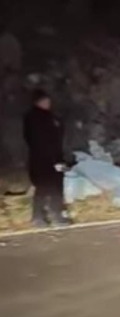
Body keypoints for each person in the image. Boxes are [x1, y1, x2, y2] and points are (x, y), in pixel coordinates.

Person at [23, 89, 72, 227]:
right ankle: (46, 216)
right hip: (43, 160)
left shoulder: (49, 117)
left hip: (51, 158)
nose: (47, 103)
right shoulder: (35, 118)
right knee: (46, 187)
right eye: (44, 101)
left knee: (51, 187)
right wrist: (54, 160)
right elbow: (41, 141)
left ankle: (49, 215)